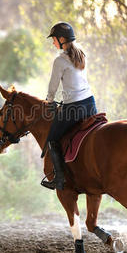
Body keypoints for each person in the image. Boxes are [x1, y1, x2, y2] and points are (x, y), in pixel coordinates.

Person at [41, 22, 97, 190]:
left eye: (54, 39)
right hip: (90, 104)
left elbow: (53, 86)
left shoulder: (60, 60)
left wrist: (49, 101)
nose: (53, 43)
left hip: (74, 108)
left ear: (62, 39)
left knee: (51, 139)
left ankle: (59, 178)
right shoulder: (81, 54)